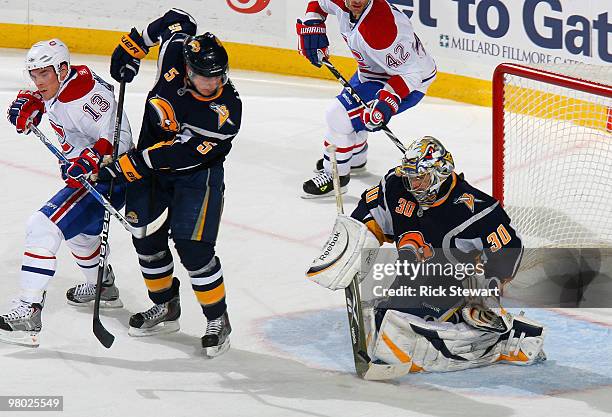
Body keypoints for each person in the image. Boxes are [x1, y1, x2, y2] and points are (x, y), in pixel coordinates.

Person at [307, 136, 546, 373]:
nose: (413, 186)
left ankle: (503, 340)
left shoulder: (478, 212)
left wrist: (485, 291)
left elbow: (509, 254)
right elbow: (370, 216)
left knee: (401, 336)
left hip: (454, 289)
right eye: (410, 178)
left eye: (420, 179)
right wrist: (354, 245)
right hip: (410, 281)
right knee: (379, 324)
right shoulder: (395, 185)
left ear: (440, 173)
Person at [100, 8, 242, 357]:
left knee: (194, 250)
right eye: (204, 76)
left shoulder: (225, 112)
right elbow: (177, 19)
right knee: (145, 238)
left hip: (197, 174)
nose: (212, 84)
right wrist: (135, 45)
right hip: (150, 168)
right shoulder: (177, 51)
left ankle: (217, 318)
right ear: (189, 69)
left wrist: (131, 164)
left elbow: (180, 155)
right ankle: (165, 306)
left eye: (218, 76)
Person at [0, 39, 133, 347]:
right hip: (87, 174)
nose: (38, 81)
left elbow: (121, 137)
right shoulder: (60, 85)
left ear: (62, 69)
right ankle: (102, 286)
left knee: (42, 226)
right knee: (80, 234)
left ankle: (29, 308)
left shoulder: (89, 95)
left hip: (110, 178)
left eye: (44, 74)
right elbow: (44, 102)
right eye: (33, 75)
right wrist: (31, 105)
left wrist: (92, 157)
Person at [297, 0, 437, 197]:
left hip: (407, 82)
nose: (357, 1)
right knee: (354, 116)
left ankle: (336, 176)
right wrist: (313, 24)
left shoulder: (380, 29)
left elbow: (411, 74)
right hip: (373, 72)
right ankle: (354, 158)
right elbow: (317, 5)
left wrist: (385, 103)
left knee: (338, 116)